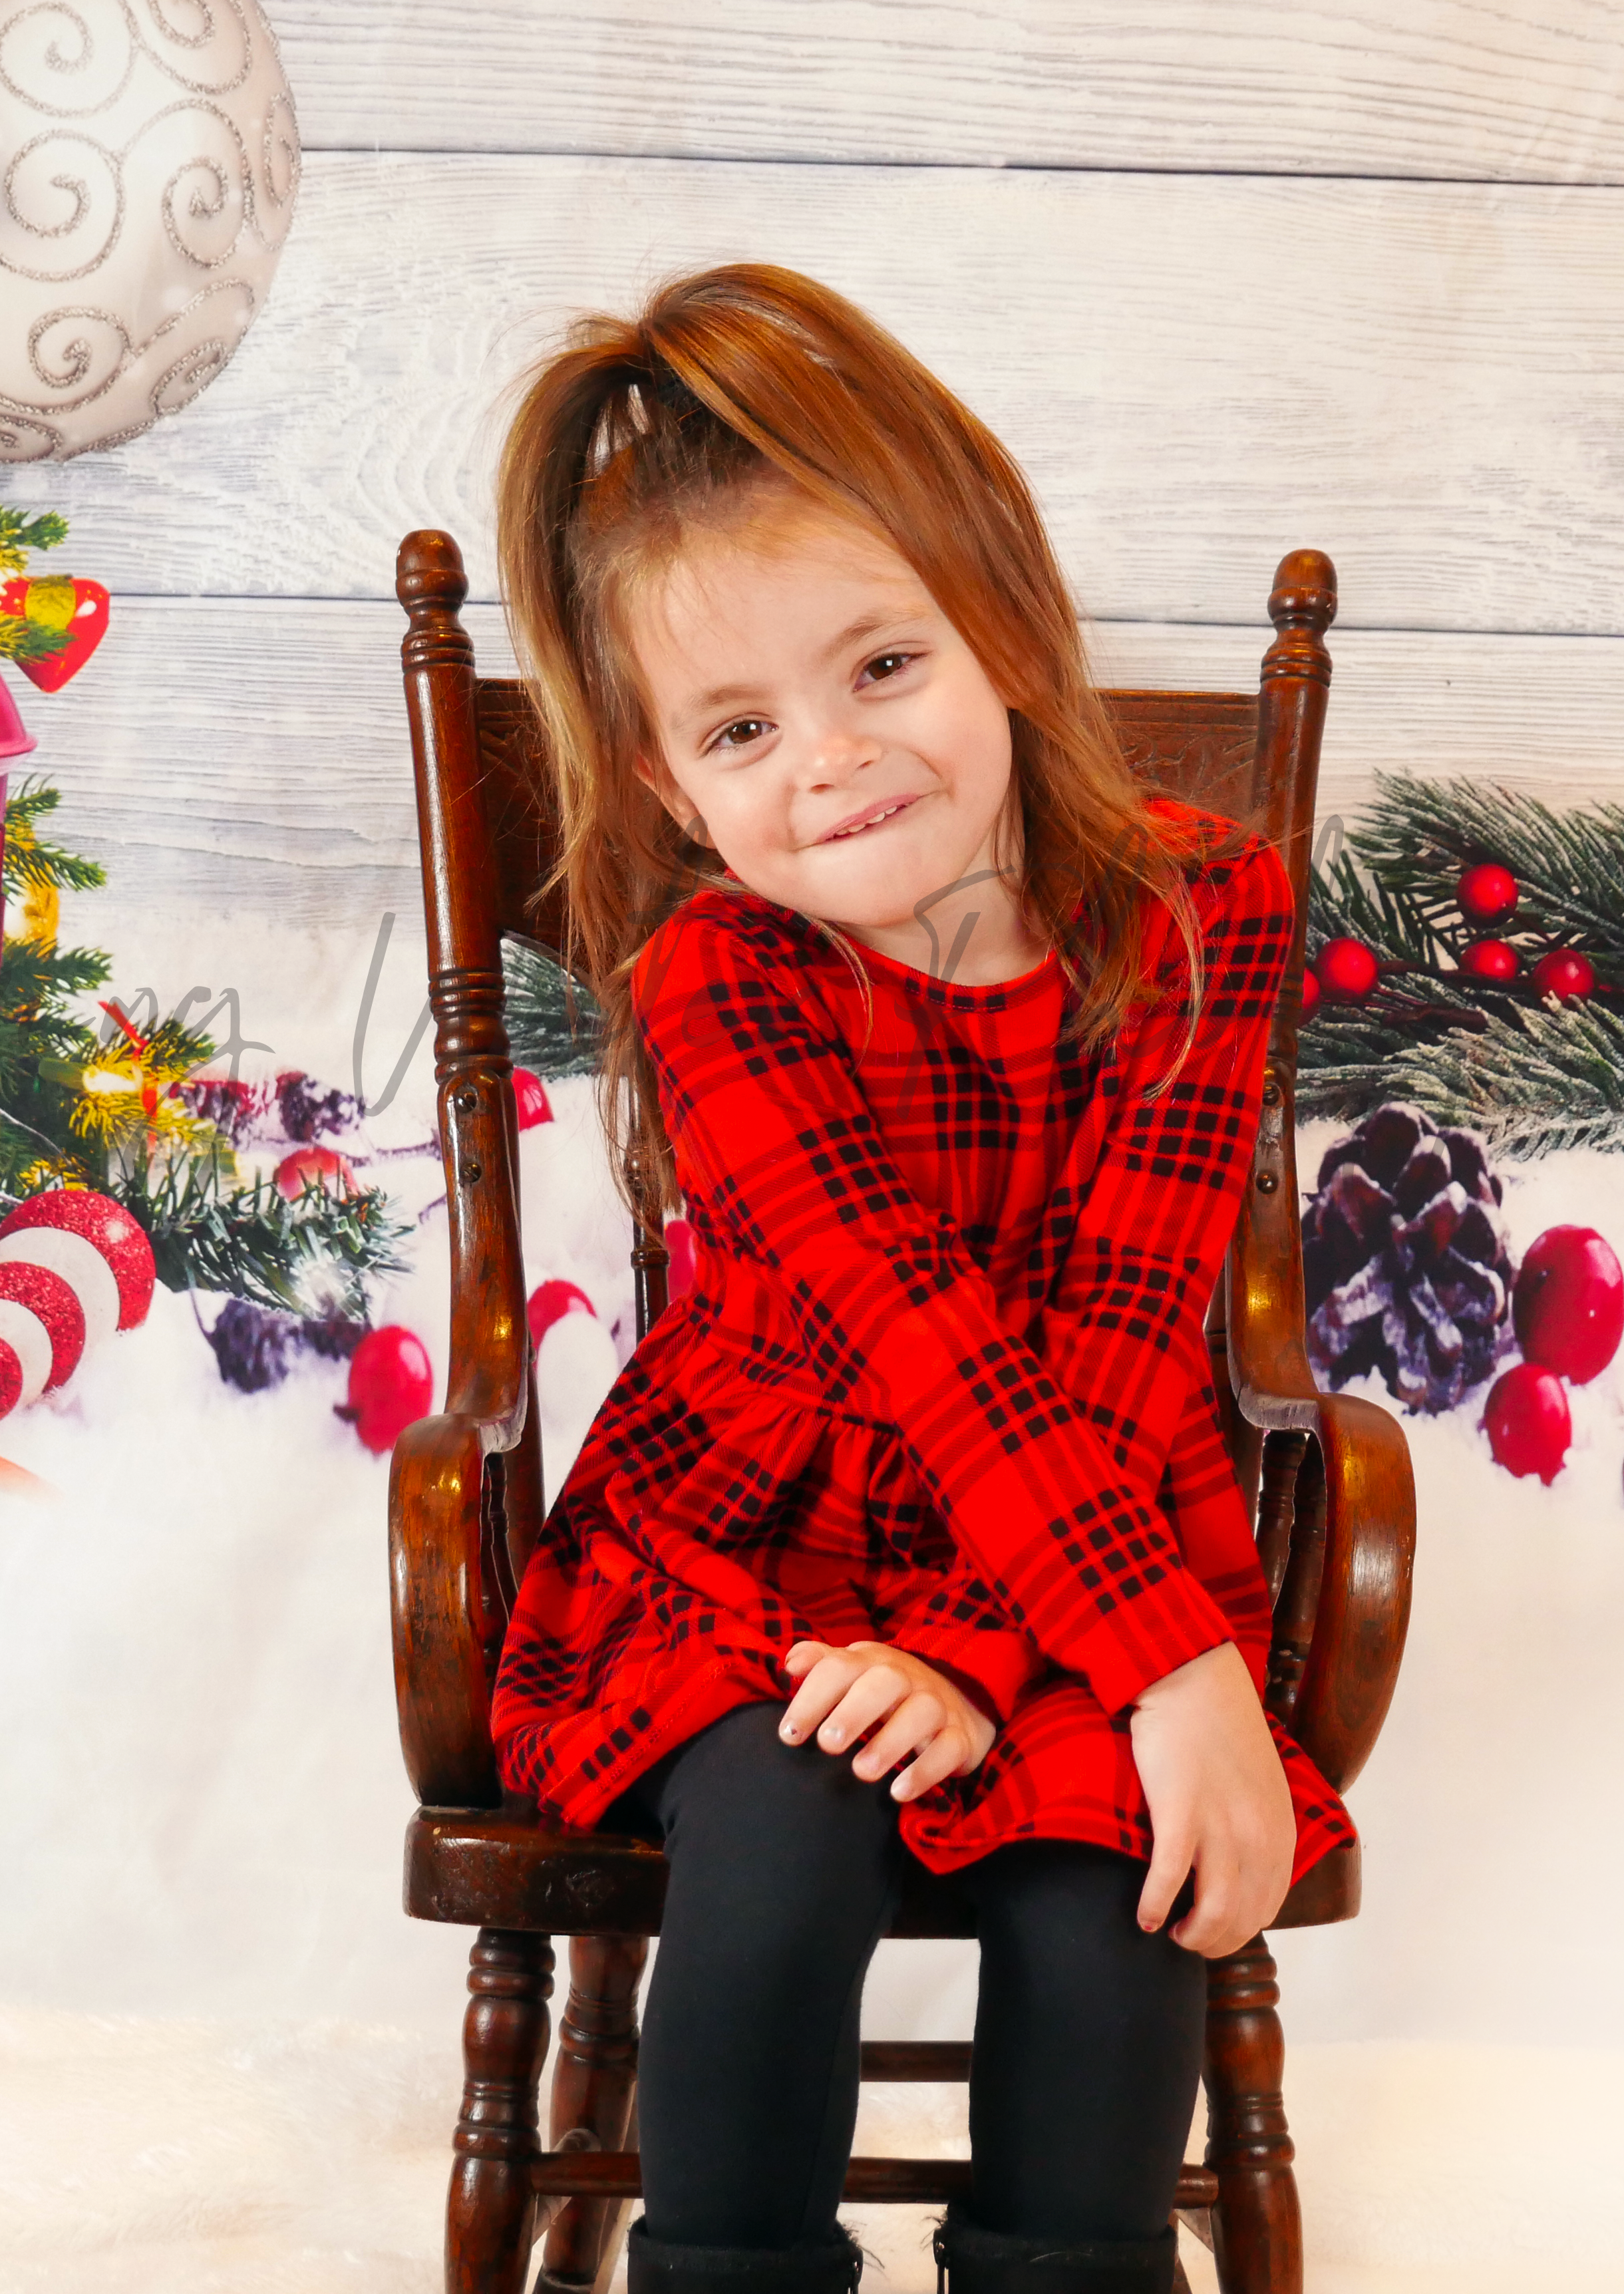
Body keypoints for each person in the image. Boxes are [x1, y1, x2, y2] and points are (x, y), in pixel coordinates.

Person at [488, 262, 1355, 2294]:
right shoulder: (721, 974)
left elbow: (1129, 1336)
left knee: (1114, 1901)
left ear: (1005, 626)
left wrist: (1016, 1656)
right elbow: (921, 1331)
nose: (832, 762)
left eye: (883, 666)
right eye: (738, 727)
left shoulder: (1198, 913)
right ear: (661, 788)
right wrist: (1160, 1667)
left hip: (1089, 1536)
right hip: (757, 1550)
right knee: (779, 1859)